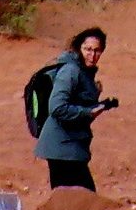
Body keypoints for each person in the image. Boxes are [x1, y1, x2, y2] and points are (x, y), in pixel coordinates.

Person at [20, 26, 112, 192]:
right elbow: (57, 107)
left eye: (97, 50)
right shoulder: (71, 70)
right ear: (79, 48)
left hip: (70, 145)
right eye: (88, 49)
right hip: (62, 147)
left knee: (74, 198)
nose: (93, 55)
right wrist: (88, 111)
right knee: (81, 198)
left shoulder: (84, 72)